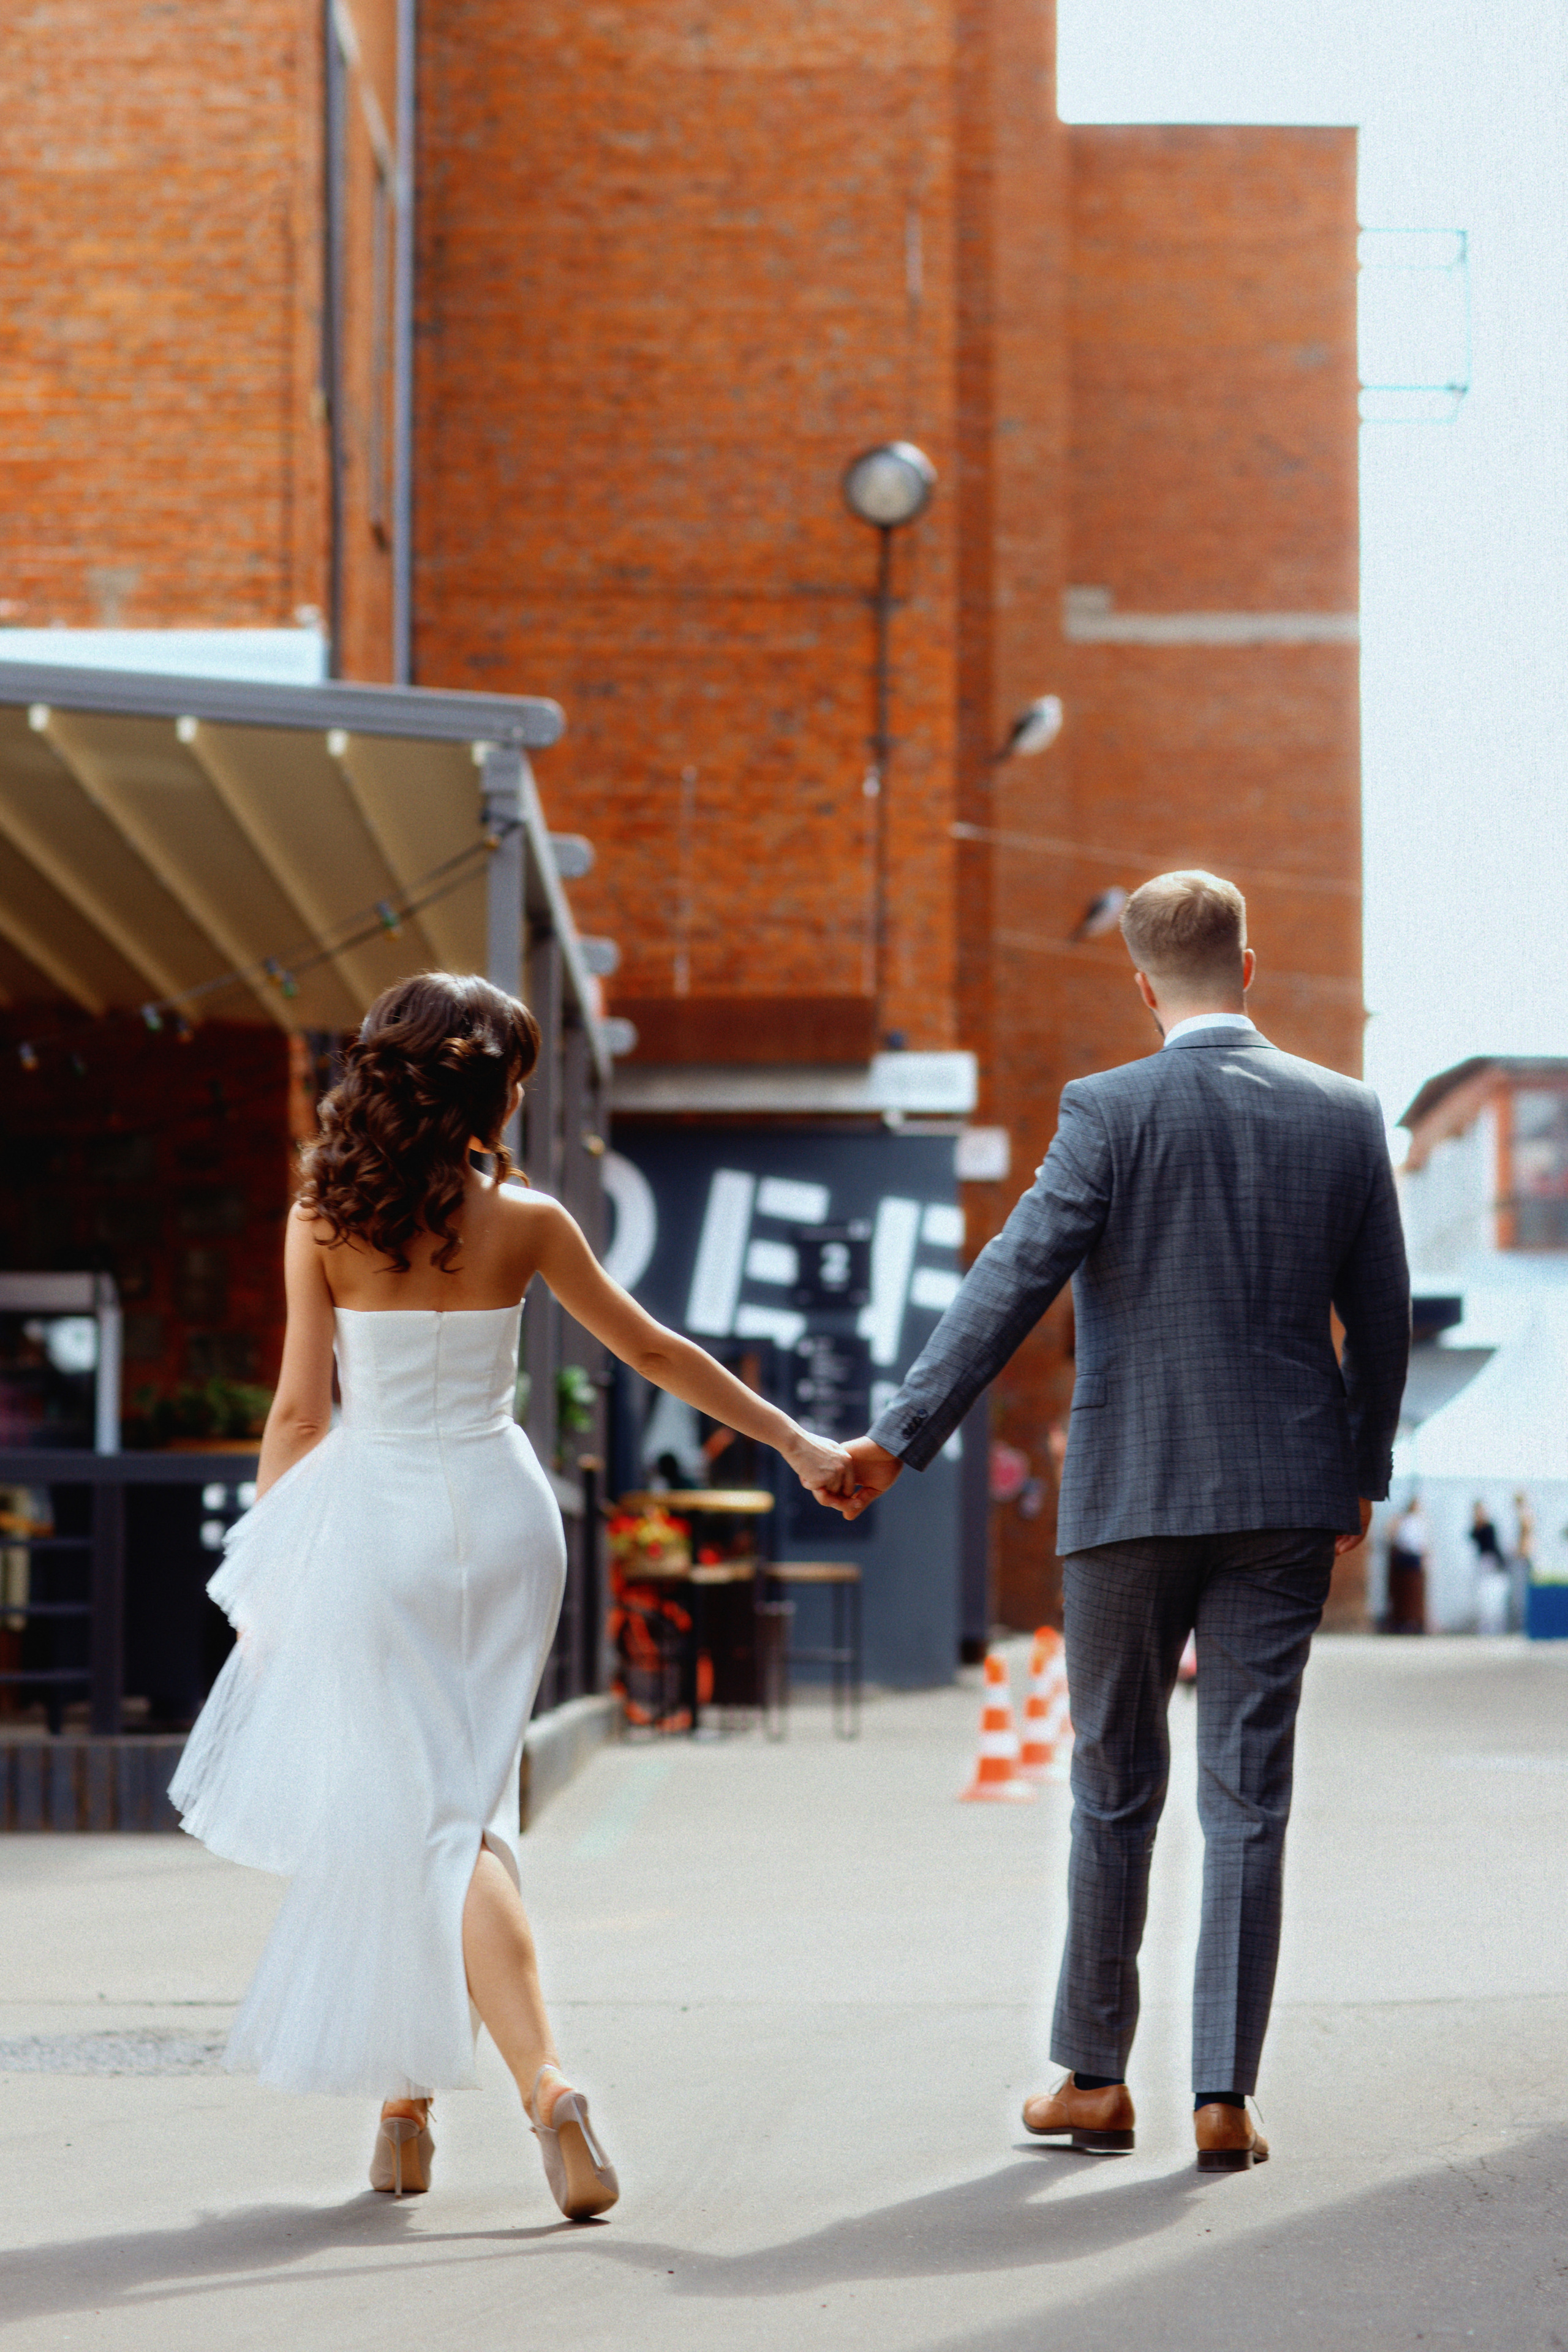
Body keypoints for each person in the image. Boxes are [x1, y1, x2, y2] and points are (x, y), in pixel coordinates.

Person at [172, 973, 851, 2218]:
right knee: (452, 1804)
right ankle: (405, 2111)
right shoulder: (529, 1219)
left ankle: (543, 2088)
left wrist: (266, 1576)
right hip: (503, 1520)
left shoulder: (322, 1218)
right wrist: (797, 1443)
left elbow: (301, 1415)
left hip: (376, 1527)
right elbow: (652, 1349)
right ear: (494, 1091)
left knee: (430, 1816)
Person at [816, 871, 1409, 2171]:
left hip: (1131, 1492)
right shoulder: (1345, 1113)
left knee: (1113, 1787)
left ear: (1140, 984)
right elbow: (1381, 1316)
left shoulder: (1107, 1109)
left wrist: (896, 1439)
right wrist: (1358, 1468)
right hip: (1287, 1495)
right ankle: (1223, 2099)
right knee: (1248, 1793)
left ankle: (1093, 2083)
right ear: (1246, 967)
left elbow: (1012, 1278)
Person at [1386, 1496, 1430, 1632]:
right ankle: (1403, 1622)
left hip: (1414, 1558)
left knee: (1415, 1592)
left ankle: (1414, 1621)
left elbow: (1422, 1543)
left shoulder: (1420, 1522)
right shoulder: (1404, 1521)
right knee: (1404, 1591)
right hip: (1405, 1558)